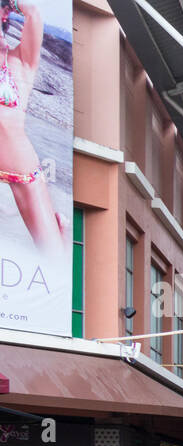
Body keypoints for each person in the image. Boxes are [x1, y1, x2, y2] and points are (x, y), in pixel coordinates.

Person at [0, 2, 71, 258]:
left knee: (52, 252)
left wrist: (12, 3)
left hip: (22, 166)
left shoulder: (20, 62)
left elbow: (33, 14)